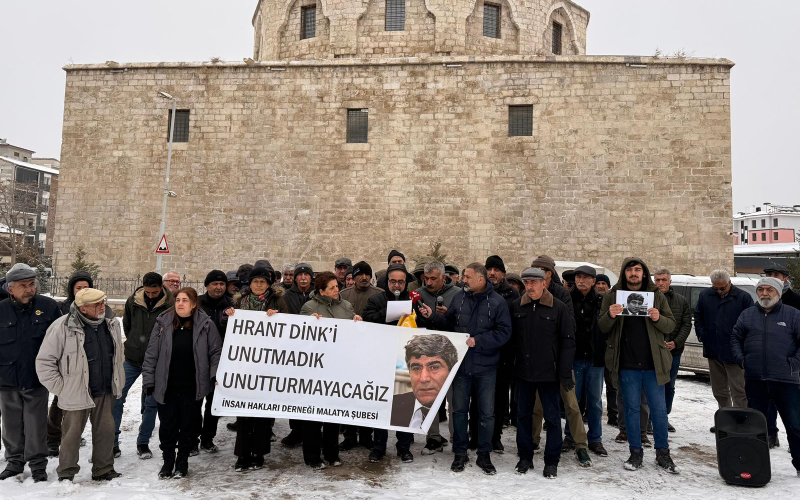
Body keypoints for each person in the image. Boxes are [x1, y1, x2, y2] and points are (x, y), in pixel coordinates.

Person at [419, 262, 512, 475]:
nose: (464, 280)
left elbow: (504, 332)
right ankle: (460, 453)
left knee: (486, 413)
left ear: (481, 279)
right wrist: (432, 316)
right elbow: (448, 323)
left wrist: (479, 340)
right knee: (459, 411)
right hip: (461, 366)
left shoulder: (497, 302)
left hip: (486, 367)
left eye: (468, 277)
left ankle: (484, 455)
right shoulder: (460, 298)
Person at [598, 258, 677, 473]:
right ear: (624, 273)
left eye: (637, 270)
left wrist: (658, 318)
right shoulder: (613, 296)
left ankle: (663, 453)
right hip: (627, 364)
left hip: (654, 364)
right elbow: (602, 326)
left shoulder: (656, 296)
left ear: (644, 273)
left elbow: (670, 324)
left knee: (659, 411)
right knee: (631, 409)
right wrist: (610, 315)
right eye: (630, 270)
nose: (633, 273)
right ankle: (635, 452)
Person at [36, 288, 124, 482]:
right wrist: (62, 388)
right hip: (75, 391)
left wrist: (118, 379)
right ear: (83, 308)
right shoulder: (62, 326)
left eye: (103, 302)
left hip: (105, 389)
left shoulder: (112, 323)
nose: (103, 306)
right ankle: (66, 472)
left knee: (106, 431)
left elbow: (118, 355)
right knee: (71, 434)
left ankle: (104, 469)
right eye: (97, 304)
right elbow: (44, 362)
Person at [142, 288, 221, 479]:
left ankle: (182, 461)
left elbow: (215, 353)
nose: (180, 303)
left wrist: (214, 375)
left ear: (194, 304)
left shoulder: (206, 324)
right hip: (166, 385)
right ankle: (168, 461)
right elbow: (151, 354)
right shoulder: (163, 323)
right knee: (167, 426)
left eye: (185, 300)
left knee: (188, 426)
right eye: (177, 300)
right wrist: (149, 380)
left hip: (192, 386)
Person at [732, 277, 800, 478]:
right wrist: (742, 360)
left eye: (769, 290)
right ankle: (755, 464)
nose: (764, 293)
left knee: (795, 425)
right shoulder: (747, 315)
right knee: (755, 427)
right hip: (755, 380)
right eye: (761, 289)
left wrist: (794, 364)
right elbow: (735, 338)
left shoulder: (793, 314)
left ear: (778, 292)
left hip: (786, 381)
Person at [510, 268, 574, 478]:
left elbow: (567, 342)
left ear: (543, 283)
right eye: (526, 282)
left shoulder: (558, 307)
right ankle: (525, 457)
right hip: (523, 373)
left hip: (549, 374)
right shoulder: (517, 306)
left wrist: (564, 372)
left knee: (553, 419)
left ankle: (552, 461)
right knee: (523, 417)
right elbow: (511, 340)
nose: (530, 286)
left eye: (534, 282)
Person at [528, 256, 591, 466]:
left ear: (548, 273)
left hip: (561, 360)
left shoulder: (562, 294)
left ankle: (581, 445)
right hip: (538, 361)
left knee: (571, 405)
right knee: (537, 406)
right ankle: (533, 440)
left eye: (540, 270)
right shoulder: (528, 293)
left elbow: (569, 327)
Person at [0, 264, 60, 482]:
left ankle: (37, 465)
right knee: (11, 425)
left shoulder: (48, 307)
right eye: (23, 286)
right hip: (7, 378)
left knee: (36, 424)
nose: (29, 289)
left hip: (36, 378)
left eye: (32, 284)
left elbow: (59, 341)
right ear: (10, 288)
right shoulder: (1, 310)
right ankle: (14, 462)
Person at [299, 271, 362, 469]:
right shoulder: (309, 307)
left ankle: (331, 453)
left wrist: (357, 322)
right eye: (332, 288)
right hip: (315, 370)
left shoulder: (346, 306)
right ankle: (312, 456)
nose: (337, 290)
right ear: (321, 291)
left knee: (333, 413)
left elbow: (353, 335)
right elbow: (300, 337)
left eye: (337, 286)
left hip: (338, 367)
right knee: (313, 415)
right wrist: (310, 323)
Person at [49, 270, 111, 457]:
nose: (82, 290)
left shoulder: (102, 311)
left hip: (94, 369)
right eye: (78, 288)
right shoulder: (63, 309)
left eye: (86, 287)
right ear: (72, 290)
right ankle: (53, 438)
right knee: (60, 407)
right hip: (69, 371)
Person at [231, 265, 287, 472]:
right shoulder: (240, 301)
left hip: (268, 364)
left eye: (263, 281)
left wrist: (278, 317)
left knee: (262, 412)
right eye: (256, 281)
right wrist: (229, 316)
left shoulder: (277, 300)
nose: (259, 285)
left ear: (269, 284)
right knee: (244, 412)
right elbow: (230, 328)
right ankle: (242, 454)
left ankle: (259, 453)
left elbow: (289, 327)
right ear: (250, 283)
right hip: (244, 363)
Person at [114, 272, 174, 459]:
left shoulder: (171, 304)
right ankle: (112, 442)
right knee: (117, 397)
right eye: (148, 292)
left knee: (150, 404)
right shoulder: (133, 301)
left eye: (154, 292)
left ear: (161, 287)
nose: (151, 295)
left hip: (156, 363)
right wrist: (135, 342)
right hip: (132, 359)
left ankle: (143, 443)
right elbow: (127, 325)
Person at [363, 264, 417, 464]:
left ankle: (404, 447)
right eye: (393, 281)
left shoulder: (413, 300)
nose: (397, 285)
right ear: (387, 282)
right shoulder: (376, 300)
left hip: (404, 360)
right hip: (381, 359)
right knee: (381, 404)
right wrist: (389, 313)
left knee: (404, 404)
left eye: (401, 282)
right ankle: (378, 447)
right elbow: (367, 320)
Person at [694, 269, 753, 433]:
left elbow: (750, 323)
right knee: (719, 390)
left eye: (722, 288)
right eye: (716, 288)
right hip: (713, 350)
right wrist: (702, 335)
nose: (719, 291)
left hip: (735, 353)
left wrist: (743, 345)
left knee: (739, 390)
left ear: (729, 283)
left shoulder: (743, 297)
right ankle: (725, 420)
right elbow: (698, 317)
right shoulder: (705, 295)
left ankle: (740, 422)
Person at [411, 260, 460, 454]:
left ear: (443, 277)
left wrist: (447, 316)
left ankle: (457, 439)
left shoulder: (457, 294)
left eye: (433, 278)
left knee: (454, 401)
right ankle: (433, 438)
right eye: (426, 278)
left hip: (450, 355)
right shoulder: (417, 294)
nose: (429, 282)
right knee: (428, 398)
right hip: (425, 355)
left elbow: (462, 323)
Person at [567, 265, 608, 457]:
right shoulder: (568, 299)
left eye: (585, 277)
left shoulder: (602, 301)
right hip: (574, 358)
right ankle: (570, 436)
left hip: (595, 359)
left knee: (595, 402)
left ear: (593, 281)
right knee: (572, 402)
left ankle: (595, 439)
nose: (581, 281)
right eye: (578, 277)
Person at [484, 255, 519, 453]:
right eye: (489, 269)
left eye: (496, 270)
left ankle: (495, 436)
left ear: (503, 274)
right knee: (479, 397)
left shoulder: (512, 294)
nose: (492, 273)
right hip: (482, 353)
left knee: (499, 398)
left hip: (504, 355)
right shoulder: (479, 291)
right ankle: (477, 434)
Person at [196, 270, 233, 453]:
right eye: (215, 284)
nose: (219, 287)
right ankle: (192, 436)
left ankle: (207, 438)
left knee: (213, 402)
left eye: (222, 284)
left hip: (221, 360)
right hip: (197, 359)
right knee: (195, 401)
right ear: (207, 285)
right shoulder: (197, 304)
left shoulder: (232, 305)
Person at [763, 263, 800, 448]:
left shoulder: (795, 301)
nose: (772, 277)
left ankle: (795, 441)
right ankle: (771, 434)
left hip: (790, 364)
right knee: (768, 401)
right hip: (768, 361)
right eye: (769, 274)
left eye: (776, 275)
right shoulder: (762, 301)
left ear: (785, 278)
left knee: (792, 406)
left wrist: (794, 361)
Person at [652, 269, 691, 433]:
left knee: (669, 385)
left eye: (664, 280)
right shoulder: (649, 298)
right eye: (658, 280)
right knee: (651, 385)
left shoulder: (681, 301)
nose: (660, 283)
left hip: (673, 351)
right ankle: (648, 418)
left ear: (670, 281)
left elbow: (686, 324)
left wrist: (676, 342)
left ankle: (663, 417)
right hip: (652, 352)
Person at [391, 335, 458, 428]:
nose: (423, 378)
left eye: (434, 367)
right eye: (416, 368)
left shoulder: (459, 408)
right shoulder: (392, 406)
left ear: (451, 371)